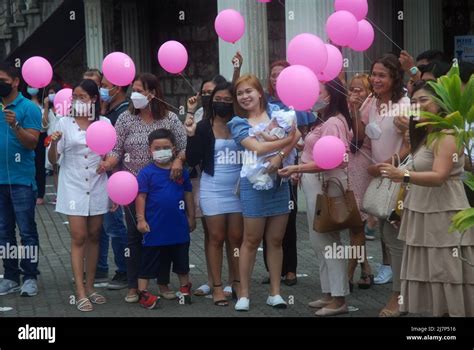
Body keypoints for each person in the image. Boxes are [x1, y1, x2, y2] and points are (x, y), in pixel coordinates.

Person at [378, 80, 474, 317]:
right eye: (413, 102)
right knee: (431, 272)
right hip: (424, 209)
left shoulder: (447, 135)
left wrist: (403, 174)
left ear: (440, 104)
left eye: (423, 100)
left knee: (445, 271)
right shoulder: (426, 135)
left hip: (443, 211)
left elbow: (440, 176)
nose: (417, 105)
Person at [98, 73, 187, 303]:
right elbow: (115, 149)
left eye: (140, 90)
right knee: (135, 236)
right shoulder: (126, 119)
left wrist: (178, 160)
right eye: (133, 90)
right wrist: (108, 164)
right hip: (132, 187)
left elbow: (184, 146)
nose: (134, 95)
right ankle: (133, 285)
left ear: (153, 93)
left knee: (163, 236)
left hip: (163, 187)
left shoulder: (170, 119)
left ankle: (163, 282)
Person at [279, 78, 353, 316]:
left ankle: (339, 297)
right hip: (316, 186)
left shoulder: (333, 122)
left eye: (317, 92)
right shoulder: (325, 119)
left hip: (326, 186)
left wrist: (298, 169)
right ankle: (329, 292)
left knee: (328, 242)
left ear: (329, 95)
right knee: (320, 241)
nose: (311, 97)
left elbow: (333, 159)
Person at [228, 74, 301, 311]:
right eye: (240, 93)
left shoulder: (277, 111)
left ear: (260, 92)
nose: (245, 96)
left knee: (276, 240)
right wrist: (287, 140)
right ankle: (244, 294)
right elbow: (257, 149)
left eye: (249, 91)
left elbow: (298, 134)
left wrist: (280, 157)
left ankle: (275, 293)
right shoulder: (238, 123)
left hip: (278, 183)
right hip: (252, 185)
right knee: (250, 240)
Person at [353, 54, 411, 317]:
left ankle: (398, 297)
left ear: (394, 78)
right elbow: (361, 136)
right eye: (373, 74)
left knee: (395, 238)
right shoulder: (370, 102)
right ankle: (405, 294)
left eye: (382, 75)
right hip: (380, 178)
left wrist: (386, 165)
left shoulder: (405, 104)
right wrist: (354, 109)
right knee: (389, 237)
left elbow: (412, 144)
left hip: (400, 179)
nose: (375, 80)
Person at [48, 79, 110, 311]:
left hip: (96, 183)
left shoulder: (103, 122)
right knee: (79, 236)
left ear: (93, 99)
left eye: (82, 96)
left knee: (95, 235)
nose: (76, 100)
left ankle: (91, 286)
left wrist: (107, 163)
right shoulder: (63, 123)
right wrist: (53, 145)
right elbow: (53, 160)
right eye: (74, 96)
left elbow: (110, 153)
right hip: (72, 184)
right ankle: (80, 290)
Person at [186, 82, 243, 306]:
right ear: (211, 101)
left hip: (238, 190)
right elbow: (191, 159)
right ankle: (217, 286)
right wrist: (190, 134)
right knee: (216, 238)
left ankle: (237, 282)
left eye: (228, 100)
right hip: (213, 188)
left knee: (236, 239)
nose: (222, 103)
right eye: (218, 99)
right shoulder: (203, 127)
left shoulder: (241, 125)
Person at [261, 60, 317, 286]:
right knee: (265, 220)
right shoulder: (264, 103)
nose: (277, 79)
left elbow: (305, 139)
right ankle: (272, 269)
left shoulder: (299, 105)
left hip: (289, 168)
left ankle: (291, 269)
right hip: (264, 168)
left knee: (288, 220)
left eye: (281, 75)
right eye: (273, 75)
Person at [135, 129, 195, 309]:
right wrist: (140, 219)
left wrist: (192, 217)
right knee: (149, 261)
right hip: (154, 229)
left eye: (166, 147)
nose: (162, 150)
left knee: (182, 262)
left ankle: (185, 289)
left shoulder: (181, 172)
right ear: (149, 150)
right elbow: (141, 197)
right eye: (157, 148)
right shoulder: (146, 173)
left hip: (179, 228)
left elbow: (188, 194)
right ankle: (143, 293)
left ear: (174, 149)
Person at [0, 62, 42, 297]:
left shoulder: (29, 108)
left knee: (26, 231)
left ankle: (30, 276)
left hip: (21, 180)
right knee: (4, 232)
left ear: (15, 82)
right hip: (0, 181)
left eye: (3, 80)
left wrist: (15, 124)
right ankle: (10, 276)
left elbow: (32, 143)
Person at [96, 75, 129, 290]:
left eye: (105, 86)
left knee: (115, 225)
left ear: (117, 88)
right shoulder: (107, 111)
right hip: (106, 174)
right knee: (107, 225)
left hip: (116, 176)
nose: (101, 90)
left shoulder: (122, 114)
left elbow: (117, 148)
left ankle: (125, 270)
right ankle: (107, 268)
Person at [347, 74, 374, 290]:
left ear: (369, 92)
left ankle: (347, 275)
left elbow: (357, 141)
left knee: (357, 224)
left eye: (360, 90)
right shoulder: (346, 110)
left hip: (362, 168)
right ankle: (366, 268)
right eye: (352, 89)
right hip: (348, 169)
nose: (355, 93)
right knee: (356, 226)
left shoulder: (368, 110)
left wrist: (355, 111)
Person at [25, 86, 47, 206]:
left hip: (41, 137)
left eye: (34, 86)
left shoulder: (44, 102)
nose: (32, 88)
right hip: (26, 134)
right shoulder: (24, 102)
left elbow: (45, 125)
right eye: (30, 86)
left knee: (40, 165)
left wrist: (46, 106)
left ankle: (40, 194)